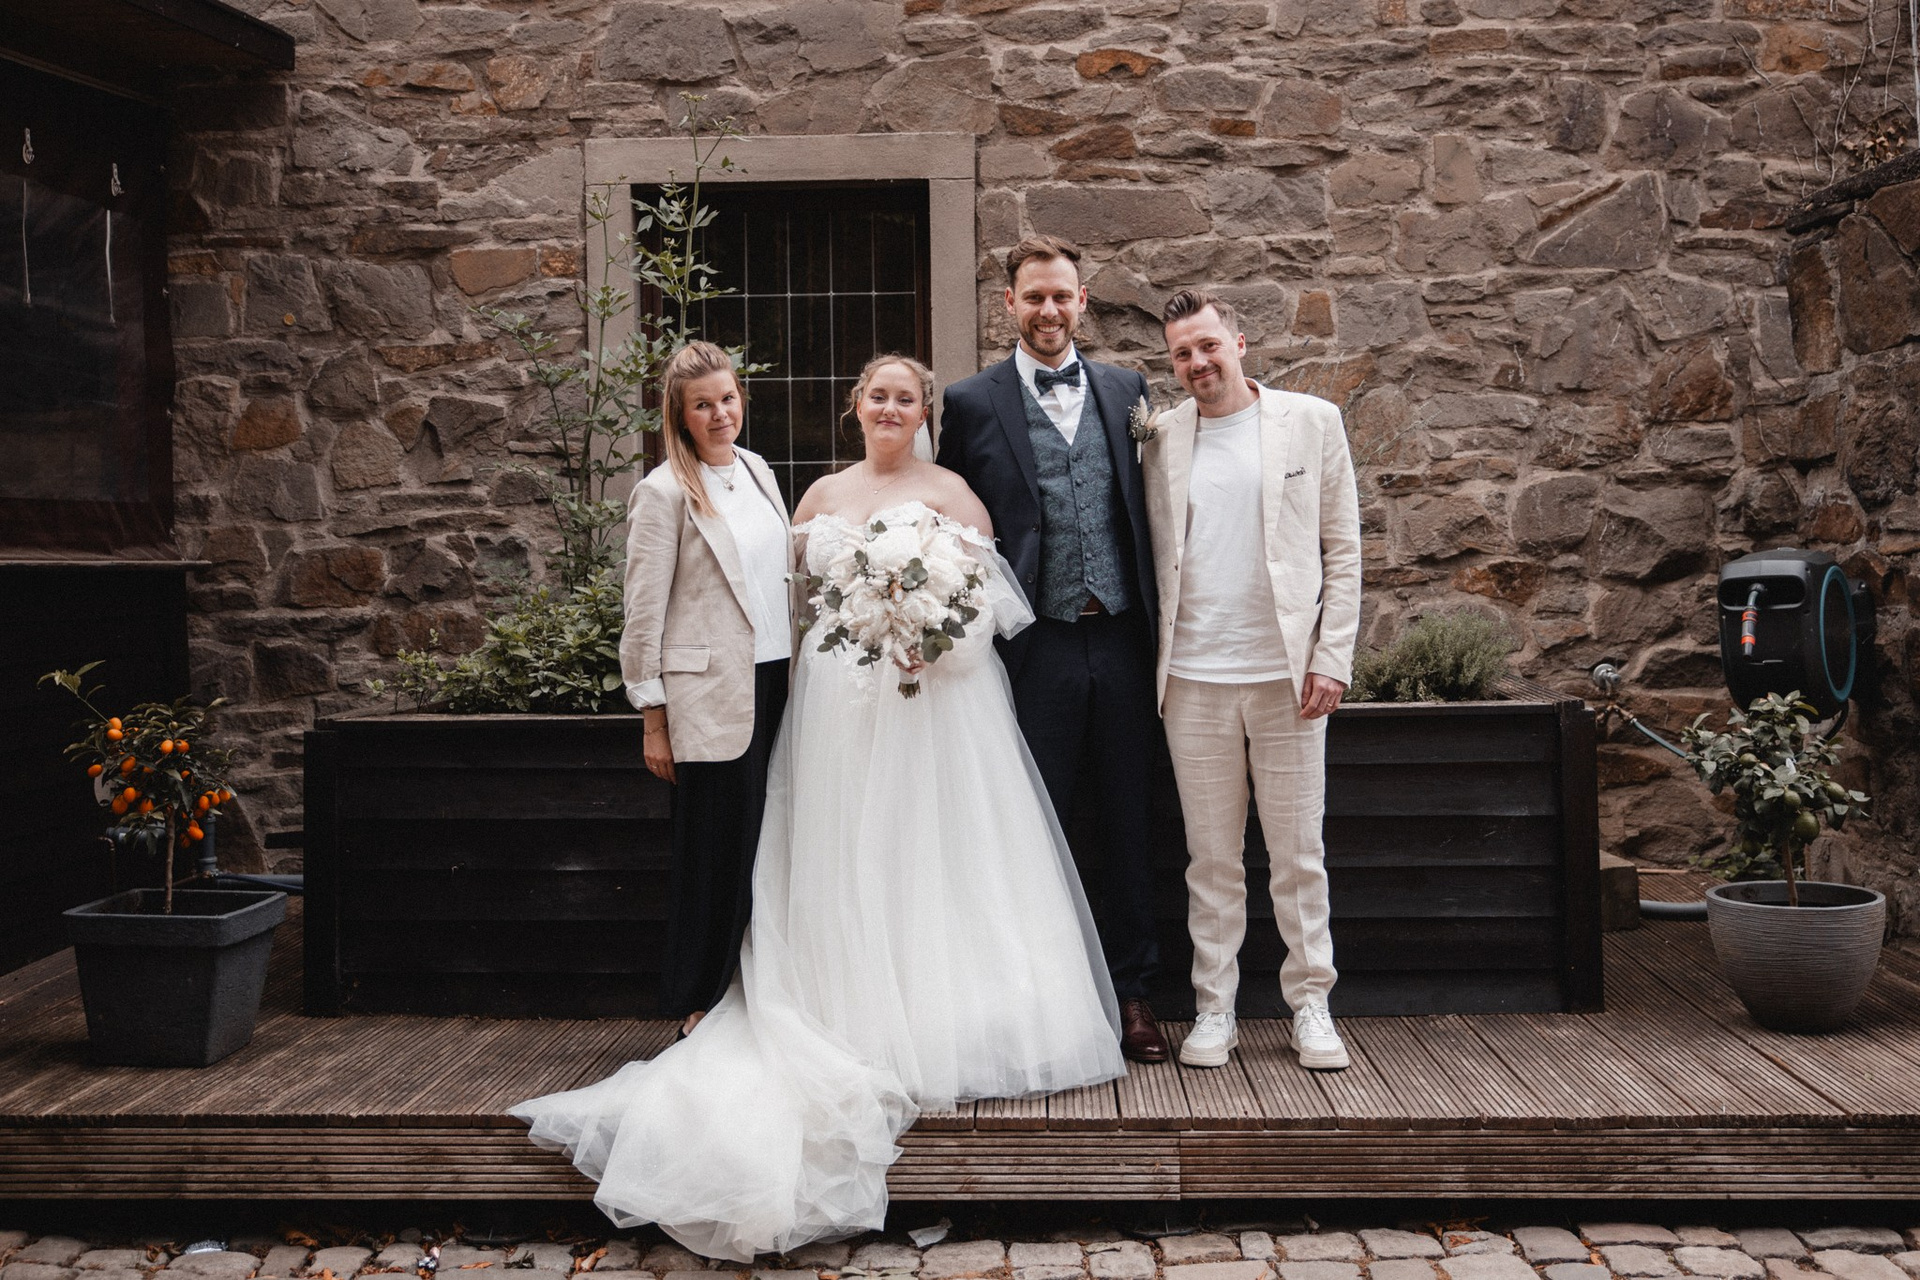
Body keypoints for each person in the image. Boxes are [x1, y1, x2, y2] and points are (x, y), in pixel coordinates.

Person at [512, 353, 1123, 1261]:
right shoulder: (812, 494)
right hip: (834, 700)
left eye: (905, 398)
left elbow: (991, 603)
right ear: (855, 405)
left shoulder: (950, 493)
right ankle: (802, 995)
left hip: (935, 705)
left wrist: (932, 634)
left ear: (924, 410)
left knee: (934, 850)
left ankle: (945, 1011)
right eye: (877, 395)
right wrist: (657, 712)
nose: (890, 408)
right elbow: (791, 604)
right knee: (839, 848)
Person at [935, 234, 1168, 1065]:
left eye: (1061, 295)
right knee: (1036, 823)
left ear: (1082, 301)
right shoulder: (970, 402)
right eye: (1033, 296)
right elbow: (949, 520)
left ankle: (1134, 993)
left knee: (1130, 818)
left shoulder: (1127, 390)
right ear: (1009, 304)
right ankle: (1044, 1000)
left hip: (1125, 638)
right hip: (1032, 647)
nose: (1048, 310)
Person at [1143, 289, 1362, 1072]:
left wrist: (1331, 656)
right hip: (1192, 678)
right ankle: (1215, 1007)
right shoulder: (1160, 438)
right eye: (1182, 354)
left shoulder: (1312, 422)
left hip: (1286, 677)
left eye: (1208, 345)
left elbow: (1344, 547)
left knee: (1299, 853)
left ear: (1238, 342)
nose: (1197, 362)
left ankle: (1311, 1005)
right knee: (1211, 859)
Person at [621, 340, 793, 1040]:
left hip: (779, 679)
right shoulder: (662, 492)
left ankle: (754, 987)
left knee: (768, 841)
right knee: (713, 850)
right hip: (711, 695)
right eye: (703, 405)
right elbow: (643, 611)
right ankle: (698, 999)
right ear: (680, 415)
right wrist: (652, 717)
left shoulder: (757, 470)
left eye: (727, 399)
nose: (721, 414)